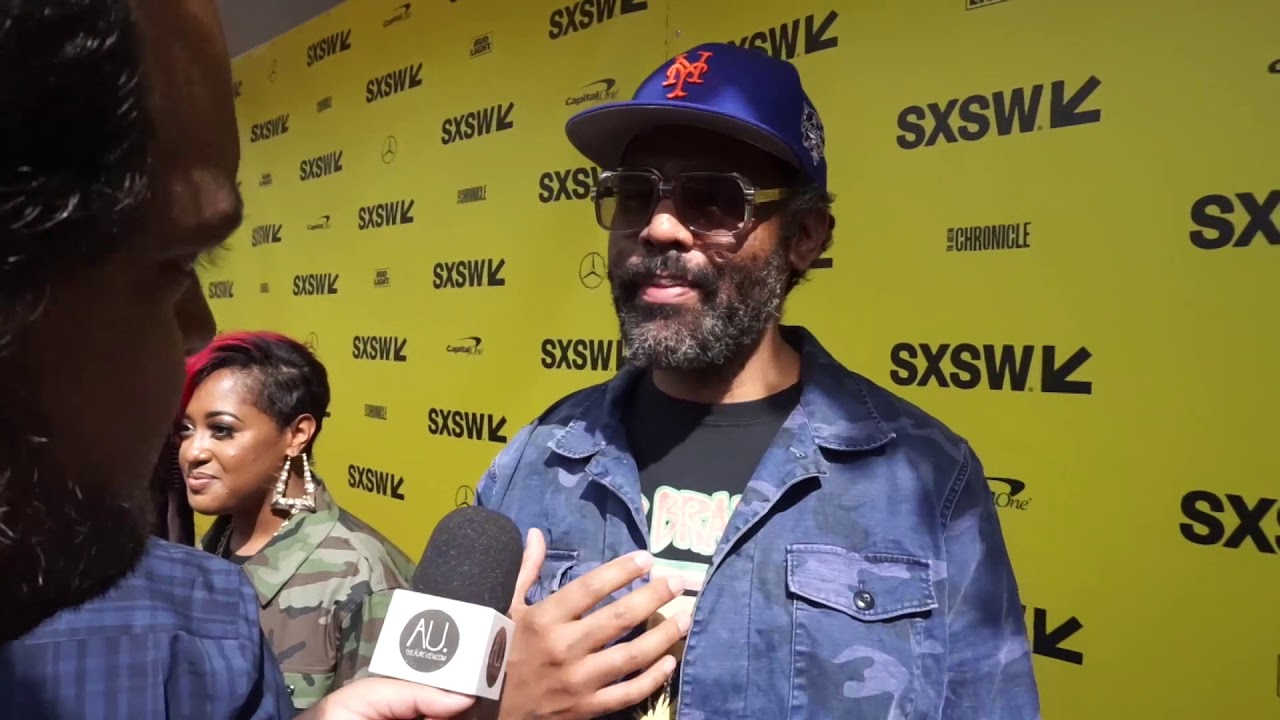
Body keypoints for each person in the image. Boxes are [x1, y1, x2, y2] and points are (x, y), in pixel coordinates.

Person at [0, 1, 691, 718]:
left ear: (298, 433)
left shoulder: (246, 599)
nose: (194, 326)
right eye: (174, 262)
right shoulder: (189, 597)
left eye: (222, 429)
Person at [477, 42, 1042, 719]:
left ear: (805, 237)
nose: (659, 227)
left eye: (714, 200)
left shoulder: (927, 481)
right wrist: (497, 709)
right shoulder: (531, 465)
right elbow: (420, 692)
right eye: (634, 194)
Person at [179, 330, 416, 711]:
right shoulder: (208, 550)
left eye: (221, 430)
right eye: (186, 430)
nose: (193, 452)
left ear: (297, 434)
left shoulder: (360, 576)